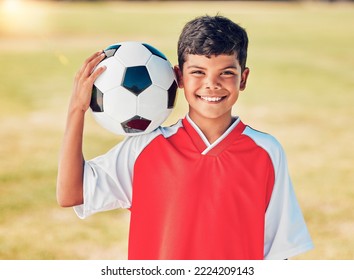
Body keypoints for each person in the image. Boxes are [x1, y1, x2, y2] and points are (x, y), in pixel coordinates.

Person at [57, 15, 313, 260]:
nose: (212, 84)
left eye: (226, 73)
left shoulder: (267, 152)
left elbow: (278, 253)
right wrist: (76, 110)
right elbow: (70, 194)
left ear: (243, 79)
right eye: (198, 72)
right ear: (179, 77)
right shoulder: (144, 148)